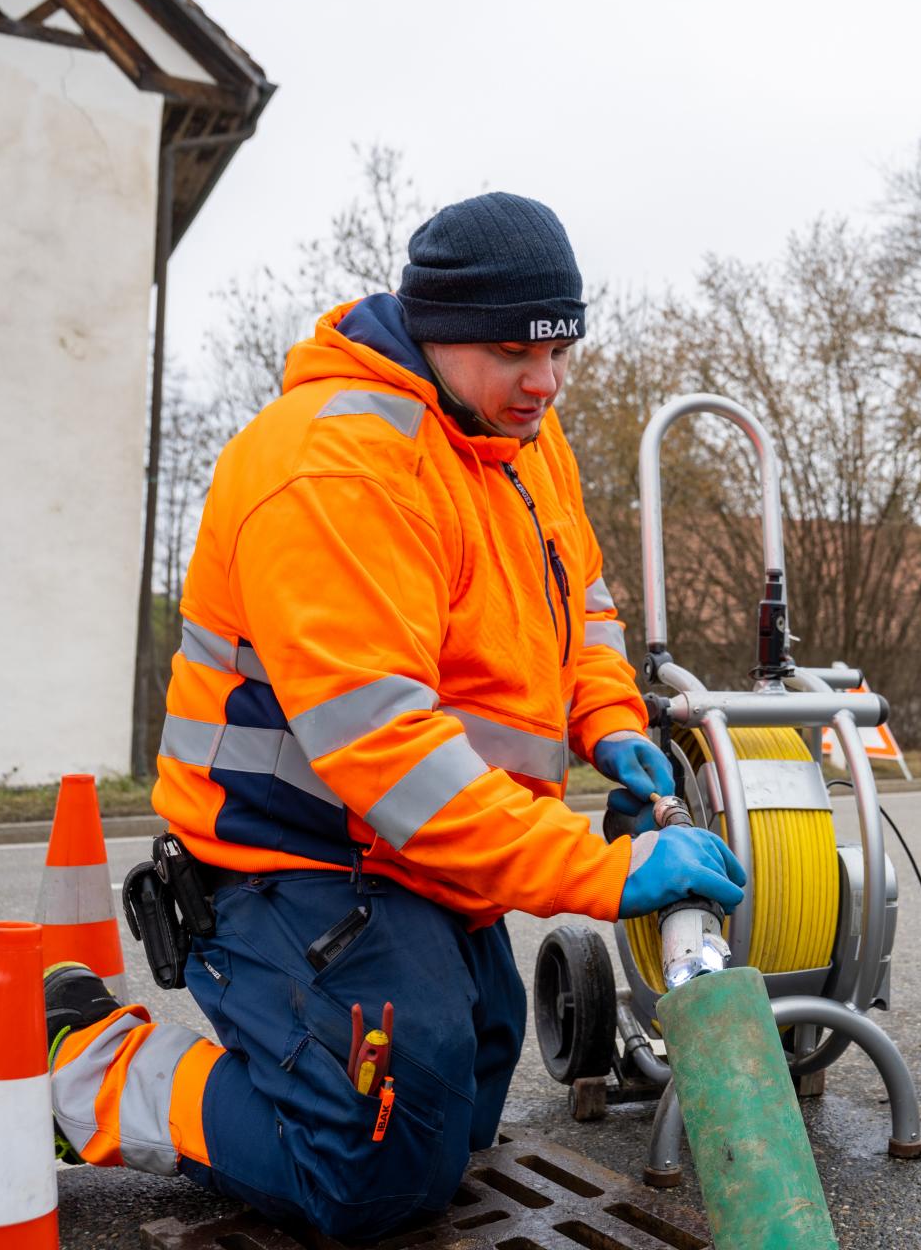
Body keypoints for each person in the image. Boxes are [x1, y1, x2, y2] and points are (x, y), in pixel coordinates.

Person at [44, 193, 746, 1240]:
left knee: (451, 1122)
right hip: (291, 860)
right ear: (438, 332)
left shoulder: (521, 437)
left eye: (561, 350)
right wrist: (606, 874)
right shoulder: (335, 467)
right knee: (372, 1168)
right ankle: (93, 1069)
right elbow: (387, 748)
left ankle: (304, 1064)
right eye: (515, 351)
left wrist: (602, 715)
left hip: (423, 859)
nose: (545, 383)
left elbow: (584, 596)